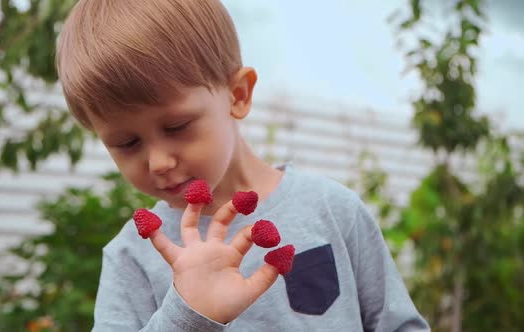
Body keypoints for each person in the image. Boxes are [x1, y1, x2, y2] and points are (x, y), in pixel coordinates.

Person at [55, 0, 430, 331]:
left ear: (238, 95)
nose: (158, 162)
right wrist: (188, 315)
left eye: (176, 126)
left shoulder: (332, 210)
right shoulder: (131, 258)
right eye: (126, 143)